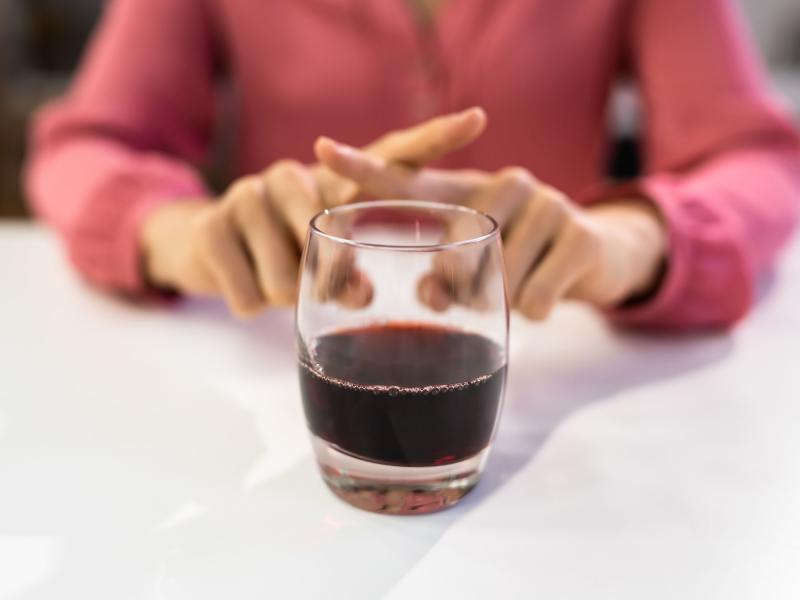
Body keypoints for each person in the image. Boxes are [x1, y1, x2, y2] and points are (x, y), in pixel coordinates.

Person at [25, 0, 800, 328]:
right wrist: (180, 233)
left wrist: (626, 244)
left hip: (550, 359)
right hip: (280, 359)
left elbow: (756, 158)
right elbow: (84, 147)